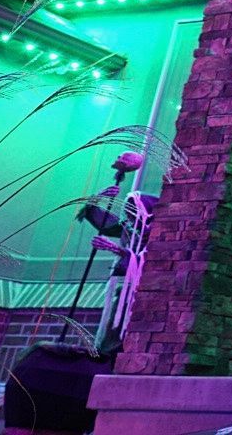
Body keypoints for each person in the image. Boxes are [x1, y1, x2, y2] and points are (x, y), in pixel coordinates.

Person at [78, 151, 157, 353]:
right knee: (111, 323)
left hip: (137, 287)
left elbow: (148, 258)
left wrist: (114, 248)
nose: (127, 213)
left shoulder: (151, 233)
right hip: (119, 281)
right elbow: (103, 222)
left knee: (122, 324)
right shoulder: (126, 227)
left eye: (132, 209)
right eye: (126, 208)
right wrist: (102, 196)